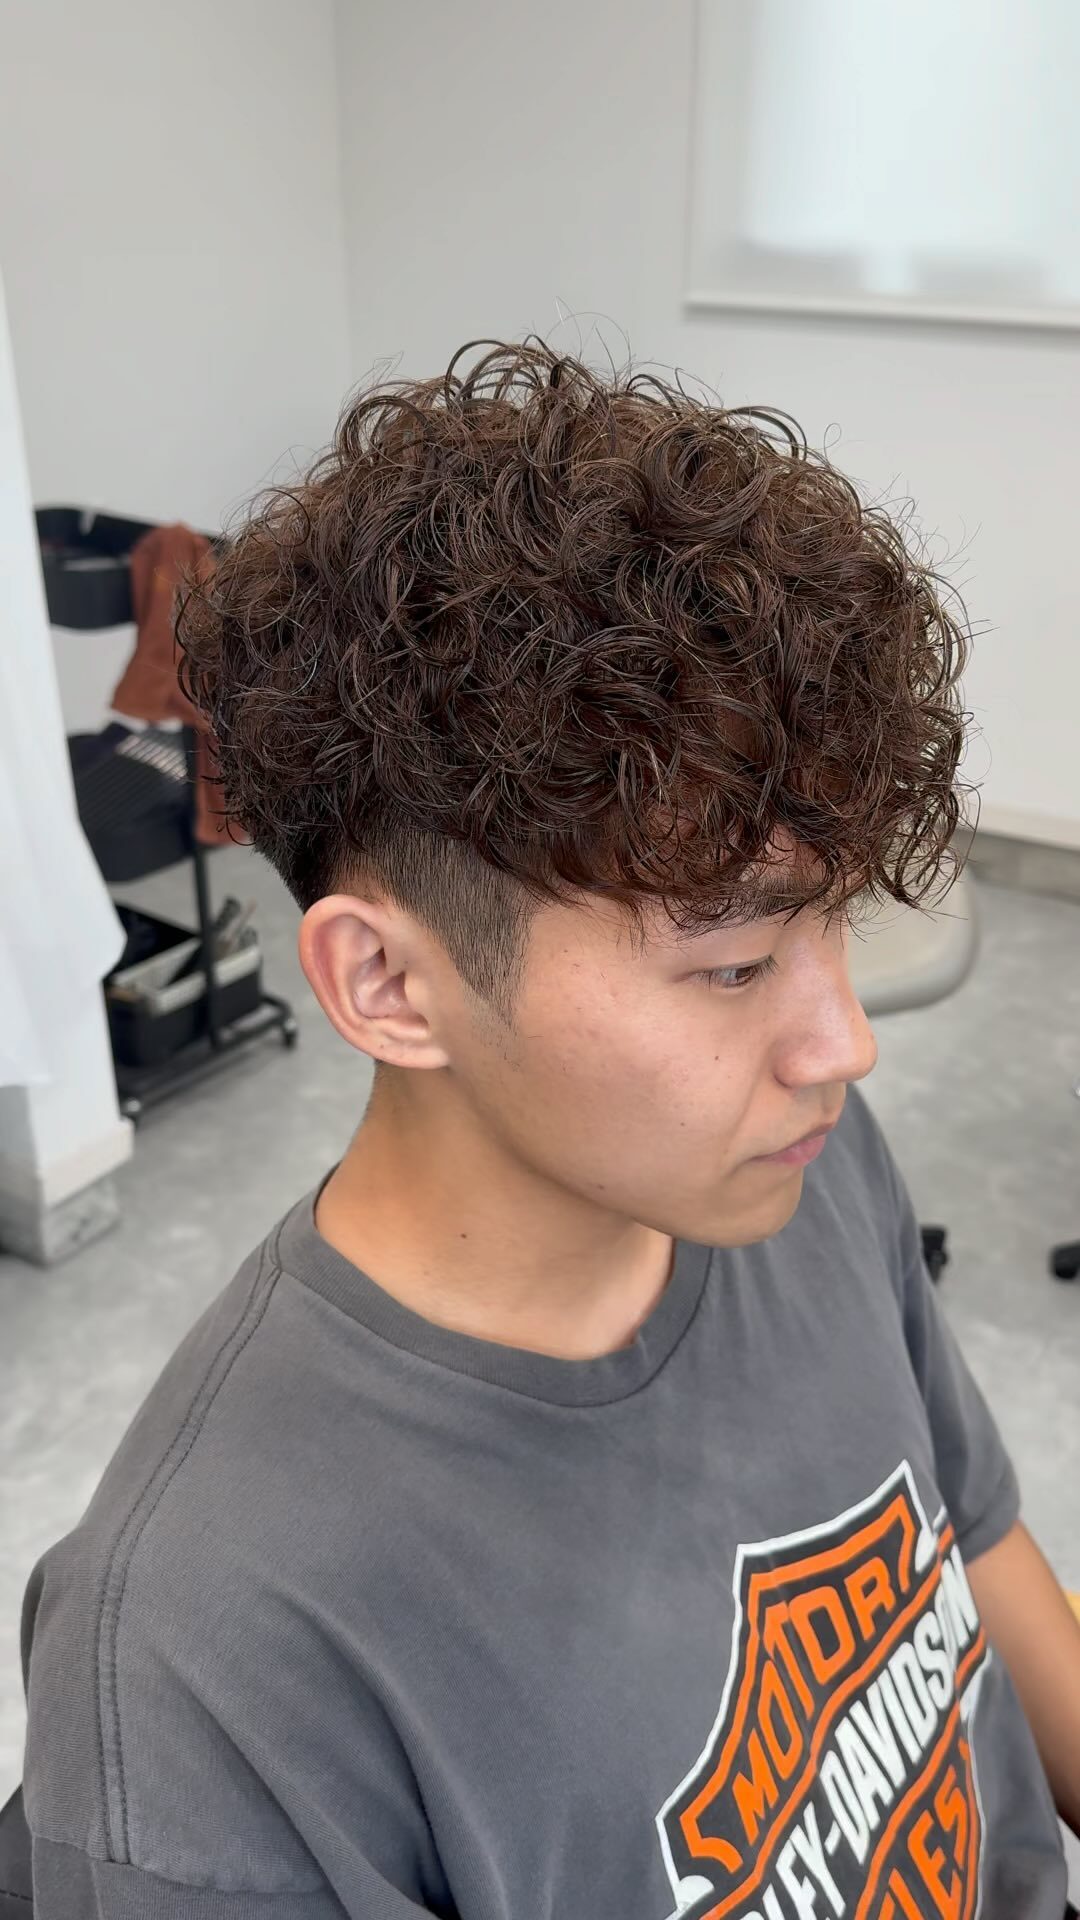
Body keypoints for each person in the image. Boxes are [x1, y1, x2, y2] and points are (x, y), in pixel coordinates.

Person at [17, 341, 1080, 1919]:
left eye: (839, 920)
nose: (843, 1046)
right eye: (734, 964)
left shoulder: (798, 1164)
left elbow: (977, 1548)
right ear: (388, 986)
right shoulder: (206, 1656)